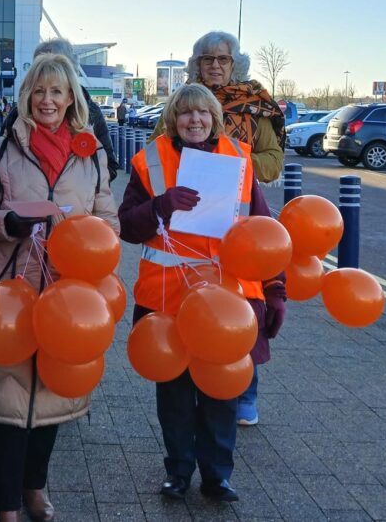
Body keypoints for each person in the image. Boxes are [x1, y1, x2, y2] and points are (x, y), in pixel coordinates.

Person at [0, 52, 119, 522]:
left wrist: (87, 237)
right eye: (39, 90)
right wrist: (8, 221)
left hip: (69, 294)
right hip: (10, 289)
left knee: (52, 394)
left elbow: (108, 221)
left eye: (57, 91)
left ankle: (35, 486)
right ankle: (6, 502)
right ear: (27, 96)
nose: (47, 100)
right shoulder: (4, 148)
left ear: (72, 98)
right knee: (7, 399)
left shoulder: (92, 155)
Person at [118, 83, 286, 502]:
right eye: (186, 113)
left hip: (226, 300)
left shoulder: (239, 162)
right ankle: (177, 471)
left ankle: (217, 475)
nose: (195, 120)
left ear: (215, 118)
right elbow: (125, 226)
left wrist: (276, 288)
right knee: (173, 392)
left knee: (221, 389)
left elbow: (263, 232)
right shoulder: (150, 161)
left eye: (203, 113)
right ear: (173, 118)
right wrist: (161, 205)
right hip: (166, 298)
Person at [151, 31, 284, 183]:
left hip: (237, 199)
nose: (215, 65)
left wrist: (228, 162)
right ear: (198, 64)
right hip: (180, 194)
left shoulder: (252, 106)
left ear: (234, 65)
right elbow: (152, 152)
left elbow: (273, 162)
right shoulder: (181, 101)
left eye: (223, 59)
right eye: (208, 59)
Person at [0, 39, 119, 183]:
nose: (47, 99)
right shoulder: (19, 114)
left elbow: (110, 167)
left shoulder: (91, 112)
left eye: (57, 66)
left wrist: (78, 190)